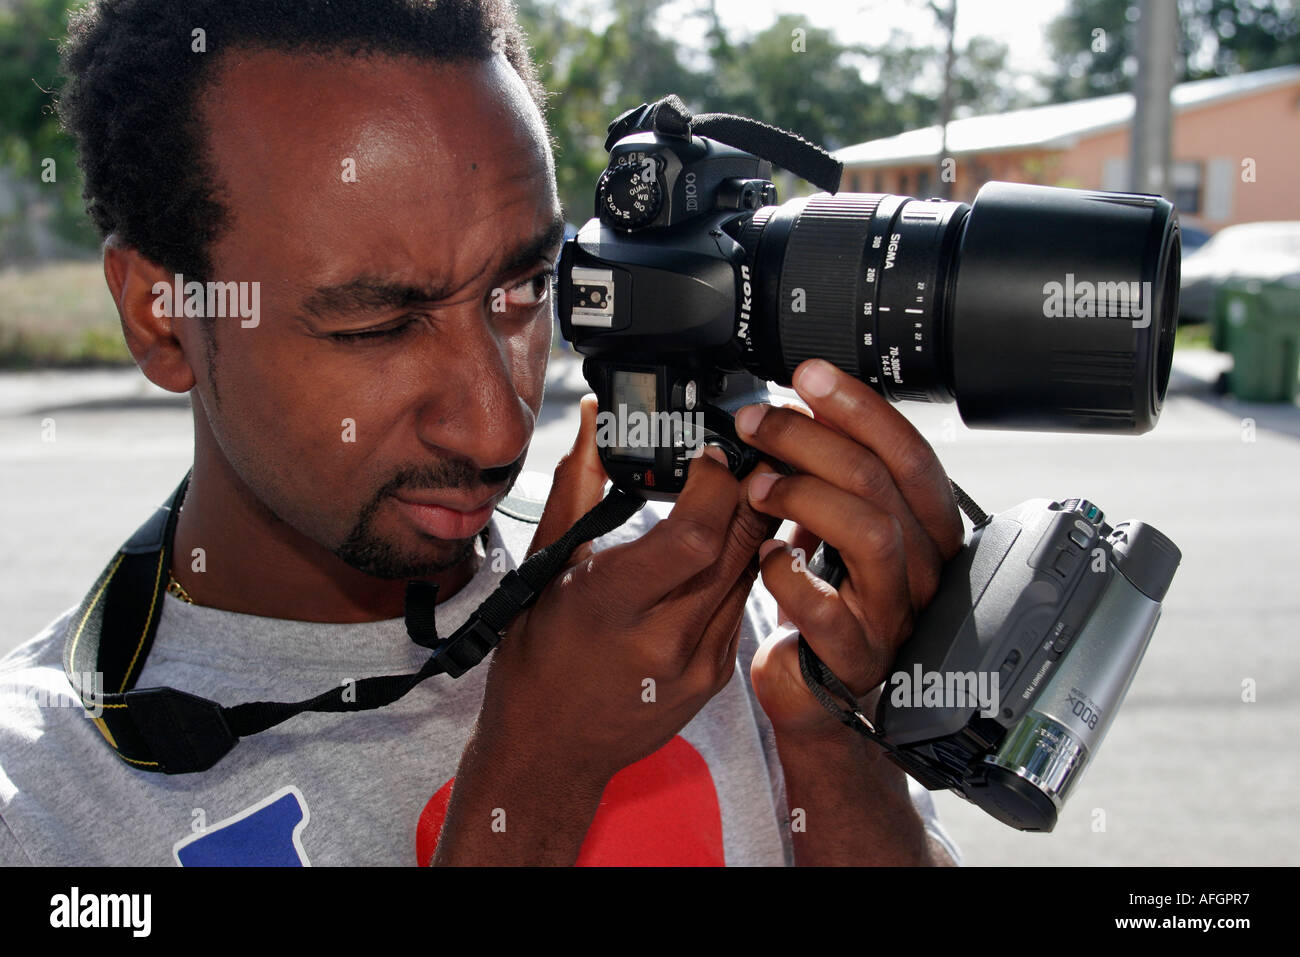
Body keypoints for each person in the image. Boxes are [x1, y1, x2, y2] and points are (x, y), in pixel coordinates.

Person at [0, 0, 966, 866]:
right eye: (374, 324)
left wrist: (831, 738)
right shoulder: (41, 804)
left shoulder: (695, 604)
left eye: (521, 290)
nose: (498, 420)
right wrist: (534, 771)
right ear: (161, 316)